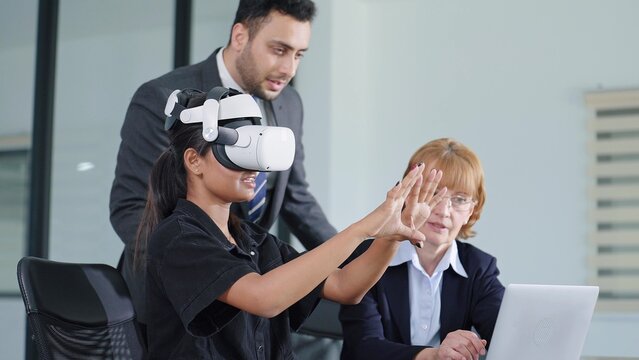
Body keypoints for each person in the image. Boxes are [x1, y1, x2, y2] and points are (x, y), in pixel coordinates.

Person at [137, 87, 445, 359]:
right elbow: (263, 298)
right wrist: (363, 228)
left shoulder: (252, 239)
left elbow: (345, 286)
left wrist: (391, 235)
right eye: (237, 151)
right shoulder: (178, 240)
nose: (254, 168)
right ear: (194, 161)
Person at [109, 0, 335, 326]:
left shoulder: (288, 103)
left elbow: (296, 198)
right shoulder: (162, 98)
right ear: (240, 36)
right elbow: (130, 208)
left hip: (253, 301)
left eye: (299, 54)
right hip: (177, 306)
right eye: (279, 50)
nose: (289, 69)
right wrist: (209, 274)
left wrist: (355, 256)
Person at [339, 138, 505, 360]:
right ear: (409, 194)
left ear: (471, 211)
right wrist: (434, 356)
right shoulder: (366, 257)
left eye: (459, 200)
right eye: (435, 193)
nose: (444, 211)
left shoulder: (479, 268)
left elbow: (506, 335)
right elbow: (364, 348)